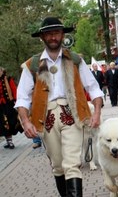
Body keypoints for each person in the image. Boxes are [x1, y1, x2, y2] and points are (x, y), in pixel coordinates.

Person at [15, 17, 104, 197]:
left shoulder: (75, 60)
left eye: (56, 33)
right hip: (45, 118)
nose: (53, 37)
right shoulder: (32, 65)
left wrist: (97, 114)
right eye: (48, 33)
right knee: (58, 165)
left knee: (72, 164)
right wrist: (26, 121)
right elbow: (22, 98)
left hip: (72, 114)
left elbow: (94, 88)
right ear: (42, 37)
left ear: (63, 35)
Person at [1, 67, 22, 149]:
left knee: (10, 122)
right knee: (3, 123)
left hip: (8, 104)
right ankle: (9, 141)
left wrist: (16, 101)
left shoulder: (9, 79)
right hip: (0, 106)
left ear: (2, 71)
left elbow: (14, 90)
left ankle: (9, 140)